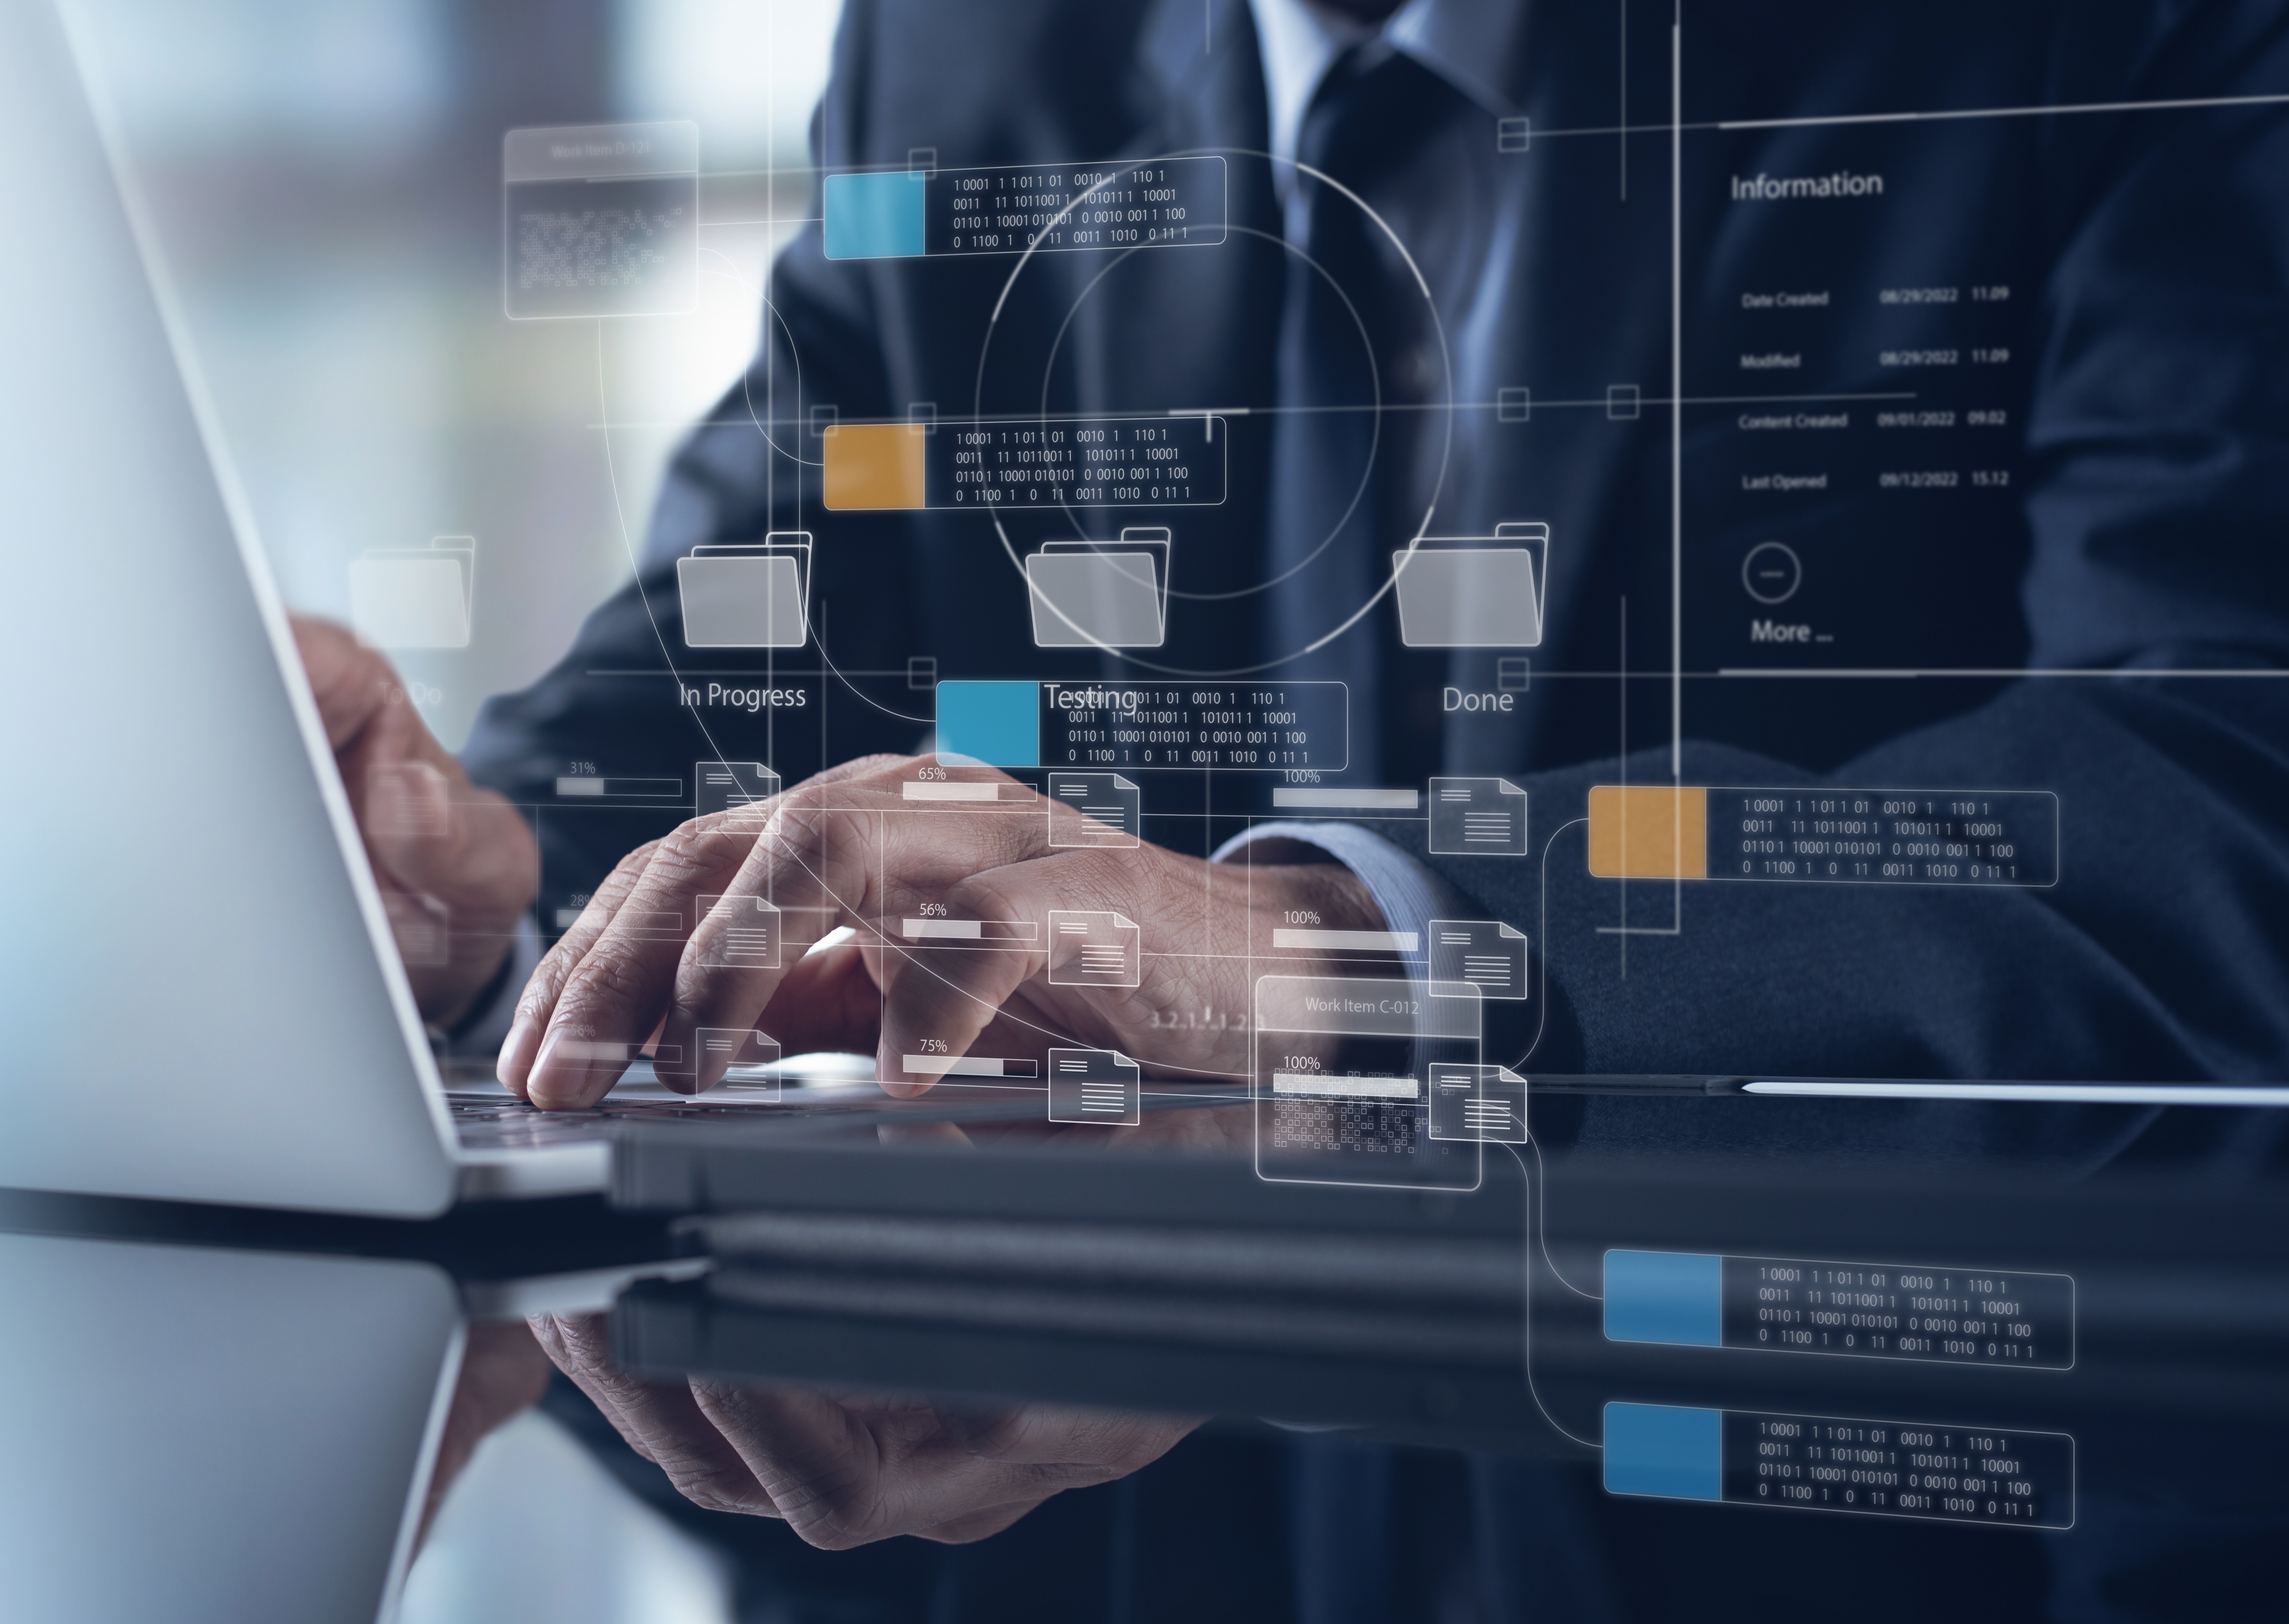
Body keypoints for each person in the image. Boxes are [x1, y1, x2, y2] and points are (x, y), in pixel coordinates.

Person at [309, 0, 2289, 1613]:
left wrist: (1335, 959)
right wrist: (470, 872)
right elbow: (775, 612)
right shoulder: (965, 45)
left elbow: (2217, 784)